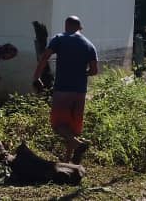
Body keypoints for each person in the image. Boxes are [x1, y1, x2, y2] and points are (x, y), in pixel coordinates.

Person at [33, 16, 98, 164]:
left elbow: (44, 57)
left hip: (63, 90)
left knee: (57, 125)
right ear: (80, 27)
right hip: (80, 92)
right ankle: (67, 160)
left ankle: (77, 144)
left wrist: (37, 77)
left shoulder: (59, 38)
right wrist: (82, 73)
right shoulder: (89, 45)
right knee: (73, 128)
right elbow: (94, 71)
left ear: (66, 25)